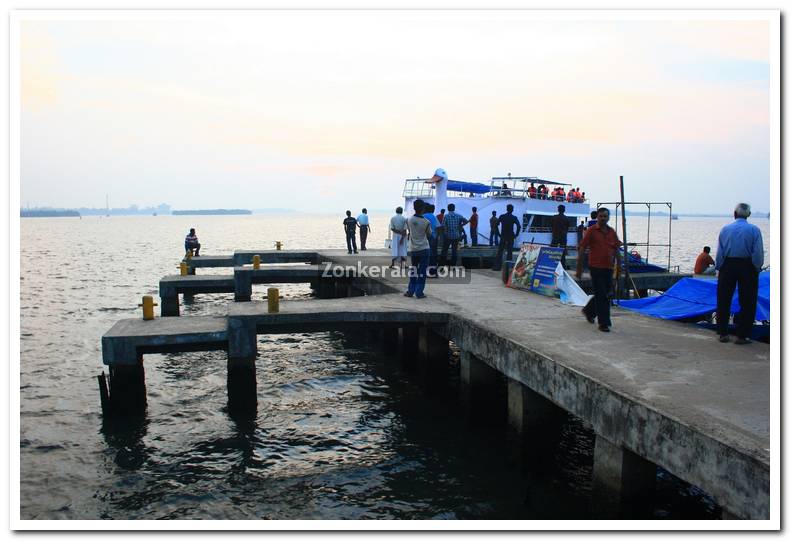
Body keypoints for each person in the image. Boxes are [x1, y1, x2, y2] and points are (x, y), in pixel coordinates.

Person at [715, 203, 764, 344]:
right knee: (748, 301)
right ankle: (742, 335)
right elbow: (758, 253)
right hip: (747, 265)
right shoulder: (754, 230)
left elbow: (720, 252)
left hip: (728, 264)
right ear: (748, 215)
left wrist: (720, 268)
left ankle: (723, 333)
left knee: (723, 299)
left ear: (734, 214)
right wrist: (756, 267)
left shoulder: (725, 229)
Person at [577, 207, 622, 332]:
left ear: (608, 218)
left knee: (604, 293)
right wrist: (579, 268)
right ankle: (604, 323)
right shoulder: (591, 231)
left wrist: (619, 265)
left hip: (608, 267)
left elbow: (617, 249)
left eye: (605, 216)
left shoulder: (612, 232)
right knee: (603, 295)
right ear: (597, 217)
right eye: (601, 216)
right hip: (595, 267)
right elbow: (582, 248)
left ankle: (589, 311)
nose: (603, 218)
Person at [405, 199, 432, 299]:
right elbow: (429, 235)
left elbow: (410, 231)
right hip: (424, 248)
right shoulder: (426, 222)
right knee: (422, 271)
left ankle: (410, 291)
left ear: (414, 208)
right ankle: (419, 292)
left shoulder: (409, 220)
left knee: (414, 269)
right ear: (423, 209)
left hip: (413, 249)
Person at [491, 204, 520, 271]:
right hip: (510, 237)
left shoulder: (502, 216)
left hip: (503, 236)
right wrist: (516, 235)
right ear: (512, 210)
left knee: (500, 251)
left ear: (506, 209)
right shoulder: (514, 218)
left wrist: (499, 234)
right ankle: (508, 268)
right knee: (509, 252)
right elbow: (518, 226)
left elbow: (495, 225)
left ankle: (497, 267)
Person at [551, 204, 571, 269]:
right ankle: (563, 266)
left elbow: (551, 226)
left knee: (553, 251)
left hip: (555, 236)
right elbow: (567, 227)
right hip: (563, 236)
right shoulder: (566, 218)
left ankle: (552, 265)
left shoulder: (554, 217)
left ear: (558, 209)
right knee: (563, 252)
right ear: (564, 210)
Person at [424, 203, 440, 277]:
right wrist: (437, 236)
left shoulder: (424, 216)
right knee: (433, 255)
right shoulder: (433, 217)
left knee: (426, 255)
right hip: (433, 237)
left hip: (425, 238)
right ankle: (433, 272)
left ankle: (425, 271)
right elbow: (438, 227)